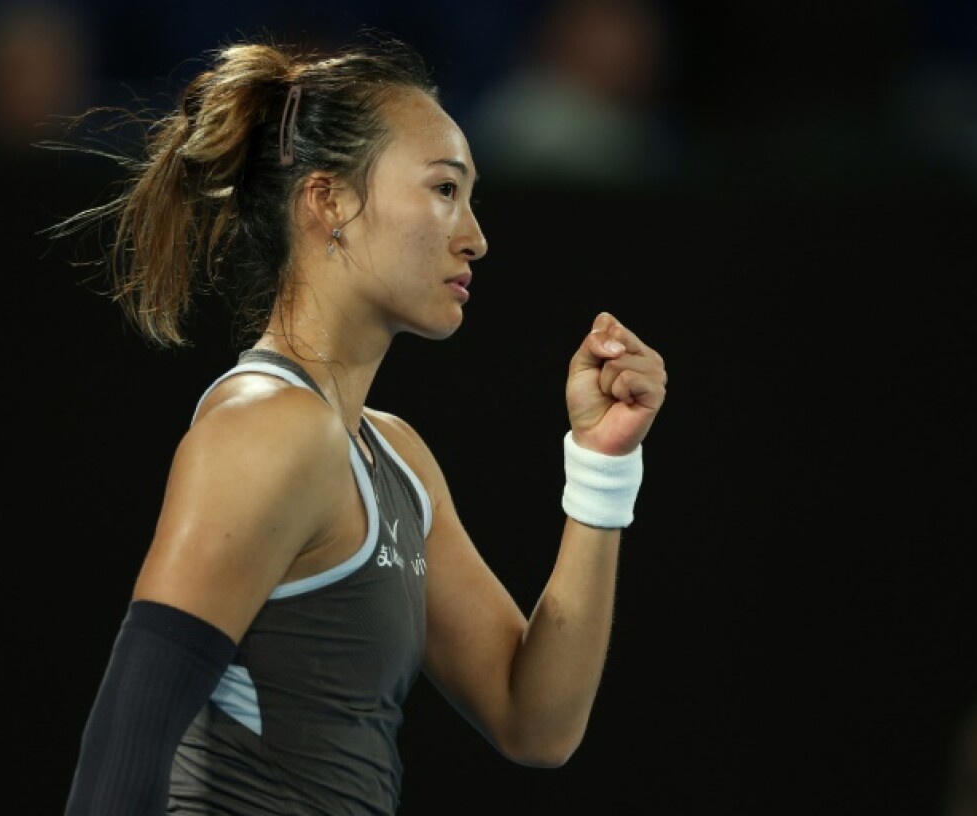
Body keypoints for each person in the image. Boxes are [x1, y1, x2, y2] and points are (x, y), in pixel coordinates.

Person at [56, 32, 667, 815]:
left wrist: (601, 466)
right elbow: (119, 761)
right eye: (445, 189)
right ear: (329, 201)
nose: (475, 235)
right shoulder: (266, 430)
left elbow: (535, 720)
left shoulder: (396, 459)